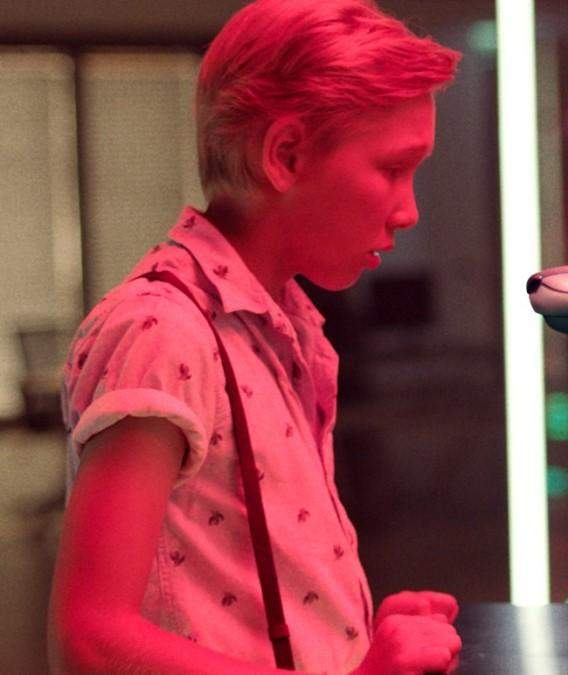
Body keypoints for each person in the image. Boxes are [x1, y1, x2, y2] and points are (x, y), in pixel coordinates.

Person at [48, 1, 464, 672]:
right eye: (393, 169)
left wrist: (346, 637)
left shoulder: (277, 324)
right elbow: (91, 639)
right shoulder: (163, 329)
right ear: (286, 155)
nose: (408, 210)